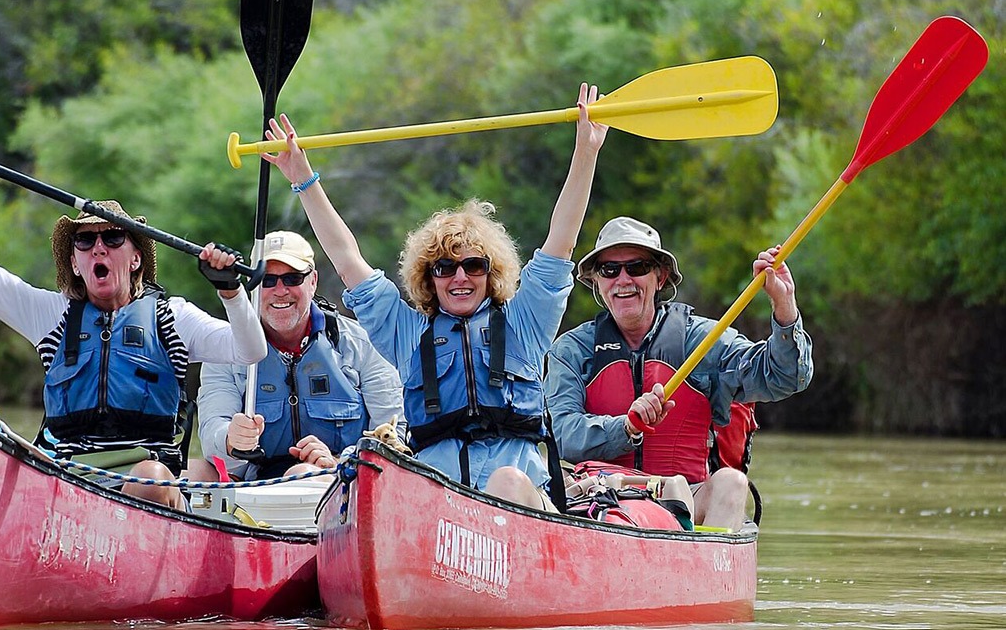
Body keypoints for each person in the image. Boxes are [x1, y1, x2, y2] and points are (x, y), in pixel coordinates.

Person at [258, 84, 608, 510]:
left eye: (473, 266)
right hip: (440, 513)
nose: (460, 277)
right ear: (429, 277)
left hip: (520, 504)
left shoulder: (525, 323)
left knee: (507, 482)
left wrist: (586, 151)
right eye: (445, 267)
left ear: (490, 273)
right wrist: (303, 179)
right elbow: (347, 260)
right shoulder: (409, 334)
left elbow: (561, 242)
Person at [0, 142, 266, 510]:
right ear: (75, 263)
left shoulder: (172, 318)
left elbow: (250, 350)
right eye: (86, 241)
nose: (98, 248)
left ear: (135, 259)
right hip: (65, 475)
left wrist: (231, 291)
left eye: (113, 238)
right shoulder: (53, 316)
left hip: (144, 477)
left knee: (152, 477)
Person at [543, 216, 813, 530]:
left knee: (732, 482)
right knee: (539, 483)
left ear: (660, 277)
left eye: (637, 267)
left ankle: (706, 559)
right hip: (601, 498)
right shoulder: (571, 350)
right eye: (610, 270)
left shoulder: (704, 341)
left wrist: (784, 304)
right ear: (598, 282)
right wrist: (626, 427)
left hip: (685, 499)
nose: (623, 279)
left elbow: (784, 377)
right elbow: (560, 435)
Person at [197, 231, 404, 481]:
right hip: (253, 485)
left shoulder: (363, 343)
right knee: (191, 472)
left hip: (344, 482)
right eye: (267, 280)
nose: (280, 290)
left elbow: (394, 434)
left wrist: (340, 461)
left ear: (313, 281)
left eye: (292, 278)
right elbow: (212, 433)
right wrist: (230, 438)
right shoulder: (223, 348)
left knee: (302, 473)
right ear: (253, 285)